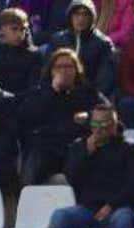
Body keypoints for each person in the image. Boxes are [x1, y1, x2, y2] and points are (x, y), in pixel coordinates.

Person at [49, 101, 134, 228]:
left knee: (124, 219)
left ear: (114, 126)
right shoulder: (80, 147)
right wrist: (86, 154)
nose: (98, 129)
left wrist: (111, 205)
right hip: (87, 208)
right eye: (95, 124)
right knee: (60, 216)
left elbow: (133, 184)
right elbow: (72, 177)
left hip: (116, 208)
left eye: (103, 125)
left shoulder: (128, 149)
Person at [17, 48, 104, 185]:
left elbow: (107, 114)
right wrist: (52, 91)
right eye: (59, 67)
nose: (63, 71)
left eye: (69, 66)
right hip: (47, 145)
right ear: (51, 71)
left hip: (76, 145)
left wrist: (89, 117)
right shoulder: (39, 92)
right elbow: (25, 116)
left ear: (76, 70)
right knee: (35, 162)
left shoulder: (88, 93)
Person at [47, 0, 116, 97]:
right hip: (58, 96)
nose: (81, 19)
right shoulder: (57, 40)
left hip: (89, 98)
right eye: (76, 14)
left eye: (85, 15)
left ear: (92, 18)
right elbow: (46, 73)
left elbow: (105, 82)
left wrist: (86, 96)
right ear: (70, 16)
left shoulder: (102, 44)